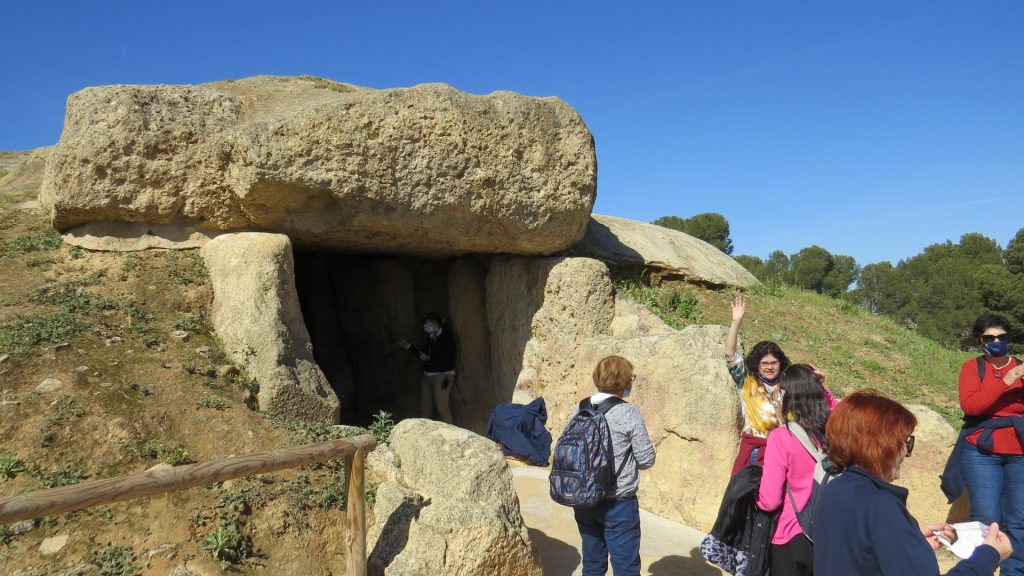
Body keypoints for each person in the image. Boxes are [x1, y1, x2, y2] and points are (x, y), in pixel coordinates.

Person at [813, 390, 1011, 575]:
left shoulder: (835, 489)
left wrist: (910, 540)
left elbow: (857, 553)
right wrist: (988, 555)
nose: (907, 454)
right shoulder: (881, 506)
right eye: (906, 442)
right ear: (881, 446)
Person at [725, 296, 836, 475]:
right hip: (756, 449)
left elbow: (811, 402)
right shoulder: (747, 380)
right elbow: (730, 355)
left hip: (786, 447)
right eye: (764, 363)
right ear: (757, 364)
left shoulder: (788, 383)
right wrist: (735, 322)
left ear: (780, 362)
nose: (769, 367)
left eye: (773, 362)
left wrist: (819, 385)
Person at [572, 355, 656, 576]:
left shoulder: (580, 408)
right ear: (624, 380)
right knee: (626, 568)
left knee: (592, 564)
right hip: (618, 503)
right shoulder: (628, 412)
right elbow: (646, 460)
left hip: (584, 498)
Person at [958, 314, 1024, 574]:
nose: (997, 342)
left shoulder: (1021, 367)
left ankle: (1014, 572)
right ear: (980, 341)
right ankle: (980, 570)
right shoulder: (973, 368)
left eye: (1002, 337)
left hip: (1019, 449)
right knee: (985, 519)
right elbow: (972, 406)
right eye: (989, 338)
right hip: (981, 450)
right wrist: (1005, 381)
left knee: (1018, 520)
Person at [756, 365, 831, 576]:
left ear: (787, 396)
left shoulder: (781, 437)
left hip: (789, 534)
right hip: (824, 538)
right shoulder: (833, 435)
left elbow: (769, 500)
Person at [397, 312, 455, 424]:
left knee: (442, 408)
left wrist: (429, 358)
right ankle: (425, 435)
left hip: (442, 375)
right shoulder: (431, 337)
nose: (425, 327)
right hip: (427, 376)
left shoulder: (447, 336)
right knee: (425, 408)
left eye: (427, 324)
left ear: (434, 322)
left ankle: (452, 435)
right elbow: (422, 353)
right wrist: (409, 346)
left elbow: (447, 358)